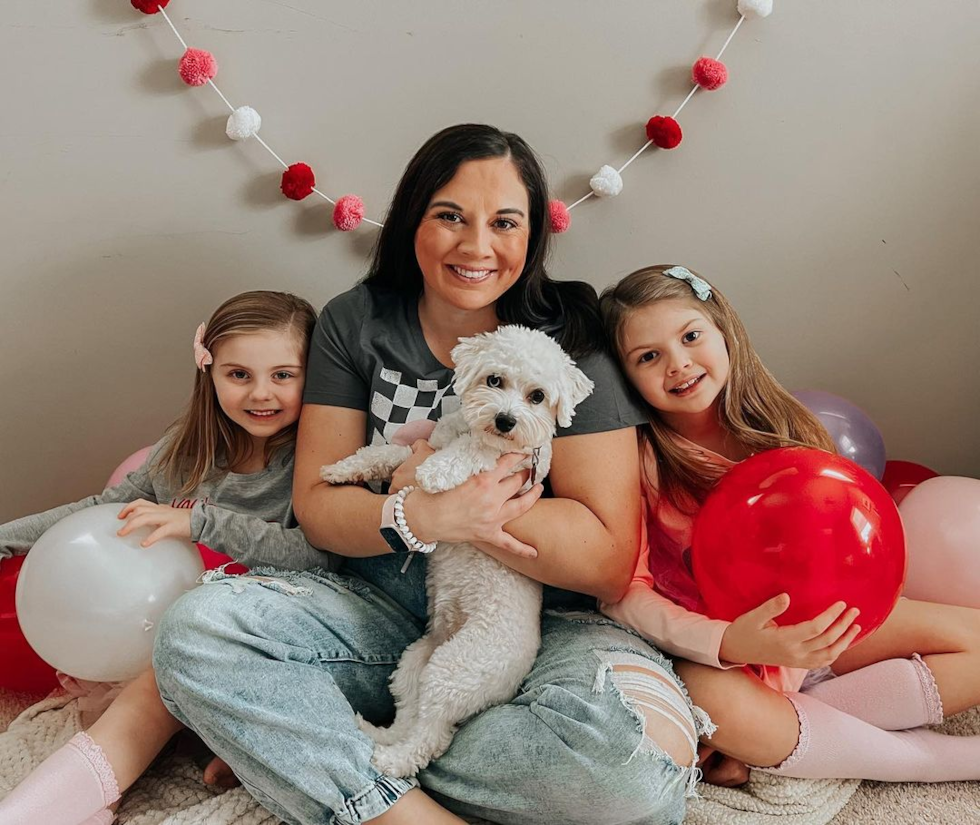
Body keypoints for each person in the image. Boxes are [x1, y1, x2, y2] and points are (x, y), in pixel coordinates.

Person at [151, 124, 711, 825]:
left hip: (546, 624)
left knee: (630, 775)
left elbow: (604, 559)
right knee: (195, 633)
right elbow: (321, 507)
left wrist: (456, 499)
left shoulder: (572, 334)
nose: (477, 247)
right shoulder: (356, 321)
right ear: (413, 217)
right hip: (380, 607)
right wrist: (416, 516)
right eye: (450, 216)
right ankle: (396, 806)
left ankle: (312, 744)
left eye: (505, 223)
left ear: (533, 234)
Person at [599, 263, 980, 784]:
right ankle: (933, 763)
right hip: (730, 655)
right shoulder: (637, 465)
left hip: (828, 625)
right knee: (716, 703)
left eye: (691, 336)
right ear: (625, 378)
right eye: (649, 357)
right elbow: (621, 593)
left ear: (723, 330)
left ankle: (799, 729)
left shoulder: (783, 426)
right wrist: (732, 642)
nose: (679, 364)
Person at [0, 290, 335, 825]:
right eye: (239, 375)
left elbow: (320, 558)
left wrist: (201, 522)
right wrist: (6, 537)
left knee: (151, 680)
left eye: (283, 375)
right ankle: (101, 787)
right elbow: (102, 510)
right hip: (170, 633)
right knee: (100, 684)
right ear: (209, 372)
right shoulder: (184, 451)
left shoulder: (317, 459)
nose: (261, 393)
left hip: (266, 639)